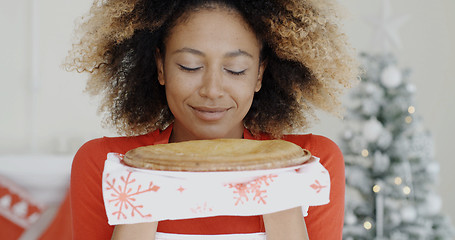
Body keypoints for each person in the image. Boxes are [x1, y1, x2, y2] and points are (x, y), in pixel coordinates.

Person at [67, 0, 358, 239]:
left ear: (259, 74)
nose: (212, 90)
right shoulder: (105, 163)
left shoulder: (313, 163)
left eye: (235, 69)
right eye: (190, 66)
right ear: (161, 67)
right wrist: (142, 176)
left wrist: (280, 178)